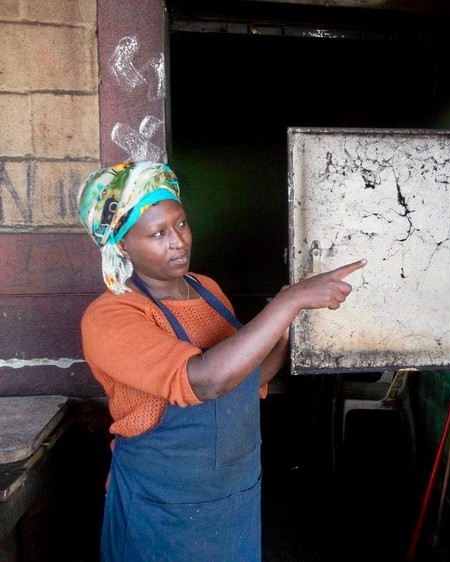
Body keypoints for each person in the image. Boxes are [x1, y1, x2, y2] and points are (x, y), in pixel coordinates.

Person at [78, 160, 366, 561]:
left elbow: (247, 378)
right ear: (122, 244)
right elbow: (206, 381)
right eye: (157, 233)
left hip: (233, 495)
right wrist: (288, 301)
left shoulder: (207, 289)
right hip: (163, 505)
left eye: (180, 224)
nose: (177, 241)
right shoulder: (111, 316)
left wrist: (282, 327)